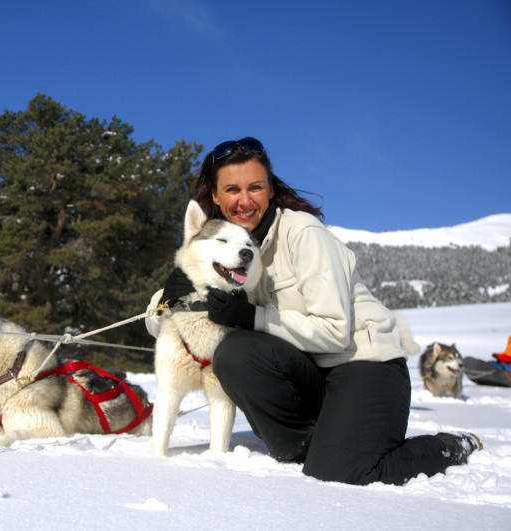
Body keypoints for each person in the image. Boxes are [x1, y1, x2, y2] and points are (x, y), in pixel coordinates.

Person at [150, 136, 482, 485]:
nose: (244, 200)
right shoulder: (220, 248)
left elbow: (335, 331)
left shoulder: (303, 233)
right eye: (232, 189)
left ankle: (448, 446)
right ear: (217, 196)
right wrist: (166, 299)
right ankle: (310, 447)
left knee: (343, 470)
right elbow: (180, 326)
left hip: (362, 362)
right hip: (308, 371)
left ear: (271, 190)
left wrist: (252, 317)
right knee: (237, 353)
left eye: (255, 187)